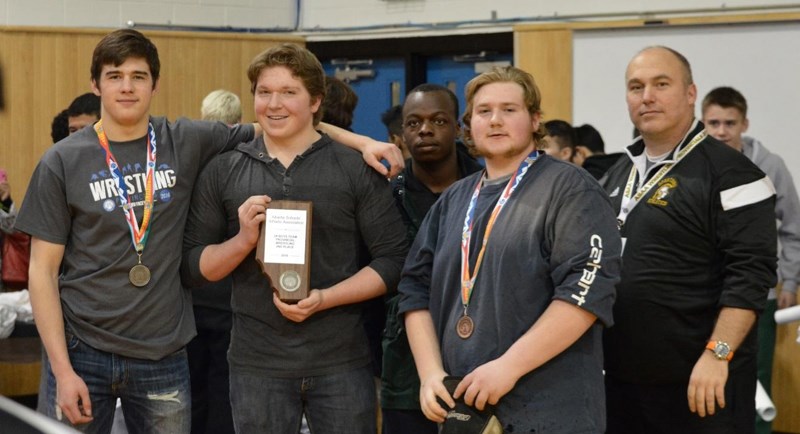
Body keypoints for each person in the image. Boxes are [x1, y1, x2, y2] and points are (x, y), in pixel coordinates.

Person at [15, 28, 403, 434]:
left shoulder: (185, 139)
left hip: (163, 351)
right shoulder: (61, 161)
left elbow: (278, 123)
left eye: (138, 76)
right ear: (96, 83)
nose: (126, 87)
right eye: (114, 76)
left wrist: (359, 142)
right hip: (83, 349)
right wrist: (61, 369)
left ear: (155, 84)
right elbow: (42, 272)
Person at [180, 43, 408, 434]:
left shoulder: (355, 167)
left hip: (342, 361)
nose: (274, 104)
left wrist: (325, 299)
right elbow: (194, 267)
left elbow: (394, 260)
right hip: (256, 364)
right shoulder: (223, 170)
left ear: (316, 100)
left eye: (289, 92)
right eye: (264, 92)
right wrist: (242, 241)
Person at [398, 66, 621, 433]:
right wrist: (430, 374)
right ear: (468, 125)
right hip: (466, 409)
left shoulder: (570, 188)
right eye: (484, 112)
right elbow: (413, 288)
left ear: (535, 120)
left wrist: (509, 367)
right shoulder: (456, 198)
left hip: (550, 409)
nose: (495, 120)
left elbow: (586, 290)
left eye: (509, 110)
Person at [601, 46, 778, 434]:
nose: (646, 96)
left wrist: (718, 354)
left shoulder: (734, 175)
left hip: (702, 380)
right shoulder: (616, 174)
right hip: (622, 381)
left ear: (691, 93)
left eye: (661, 84)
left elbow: (750, 276)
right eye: (636, 87)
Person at [382, 83, 483, 434]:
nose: (424, 129)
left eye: (438, 120)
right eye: (413, 123)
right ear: (401, 135)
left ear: (458, 128)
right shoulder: (385, 195)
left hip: (483, 355)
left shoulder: (492, 186)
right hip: (405, 367)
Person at [701, 86, 800, 434]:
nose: (721, 131)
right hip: (704, 296)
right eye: (713, 122)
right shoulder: (695, 163)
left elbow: (793, 226)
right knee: (708, 373)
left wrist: (789, 281)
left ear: (745, 123)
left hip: (759, 295)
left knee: (756, 378)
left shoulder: (771, 165)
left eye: (730, 122)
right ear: (702, 122)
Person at [187, 89, 242, 434]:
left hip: (190, 297)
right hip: (230, 300)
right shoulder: (248, 164)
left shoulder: (186, 163)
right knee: (224, 393)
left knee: (192, 392)